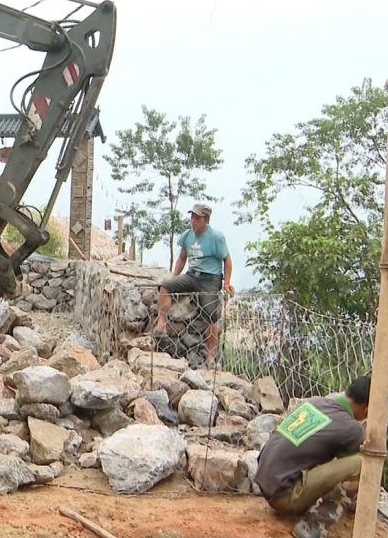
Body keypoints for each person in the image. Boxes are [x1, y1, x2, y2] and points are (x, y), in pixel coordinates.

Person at [255, 375, 370, 538]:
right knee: (362, 463)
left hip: (266, 483)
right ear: (367, 409)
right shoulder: (352, 428)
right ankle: (313, 527)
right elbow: (349, 471)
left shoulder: (316, 402)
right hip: (284, 496)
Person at [154, 202, 233, 368]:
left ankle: (210, 355)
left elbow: (227, 259)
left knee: (210, 313)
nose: (193, 221)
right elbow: (182, 257)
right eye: (192, 217)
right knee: (165, 287)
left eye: (197, 218)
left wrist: (226, 282)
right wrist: (174, 276)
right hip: (192, 275)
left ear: (206, 220)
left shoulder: (216, 237)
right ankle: (161, 323)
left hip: (210, 278)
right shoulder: (188, 235)